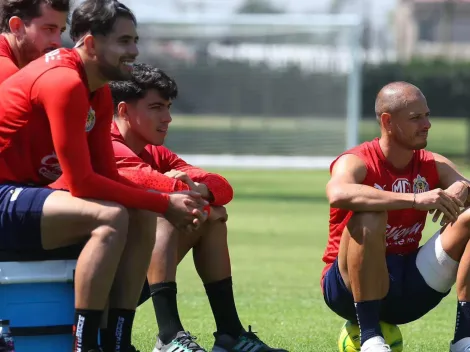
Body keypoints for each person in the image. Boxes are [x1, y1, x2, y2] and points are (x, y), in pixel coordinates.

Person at [0, 1, 208, 352]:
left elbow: (106, 175)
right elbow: (82, 182)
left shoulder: (97, 92)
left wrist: (161, 204)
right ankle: (86, 345)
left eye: (135, 40)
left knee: (142, 216)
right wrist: (164, 200)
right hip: (6, 194)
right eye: (124, 41)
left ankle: (117, 342)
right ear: (92, 44)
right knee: (109, 217)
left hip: (23, 195)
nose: (135, 50)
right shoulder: (64, 82)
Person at [109, 63, 289, 352]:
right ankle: (168, 335)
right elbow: (159, 188)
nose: (167, 118)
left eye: (168, 107)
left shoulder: (154, 151)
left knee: (214, 215)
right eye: (156, 107)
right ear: (123, 111)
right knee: (169, 213)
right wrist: (183, 190)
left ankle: (230, 333)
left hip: (126, 278)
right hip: (92, 286)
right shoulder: (108, 146)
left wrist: (199, 189)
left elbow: (222, 187)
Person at [321, 81, 470, 352]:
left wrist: (462, 186)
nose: (426, 124)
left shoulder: (431, 163)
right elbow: (338, 193)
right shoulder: (356, 160)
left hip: (408, 284)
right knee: (370, 216)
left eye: (427, 115)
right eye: (415, 118)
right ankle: (370, 339)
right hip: (346, 289)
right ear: (388, 122)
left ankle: (465, 339)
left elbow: (465, 186)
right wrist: (415, 199)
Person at [0, 0, 69, 84]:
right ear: (17, 27)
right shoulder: (7, 75)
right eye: (49, 29)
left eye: (61, 32)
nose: (58, 42)